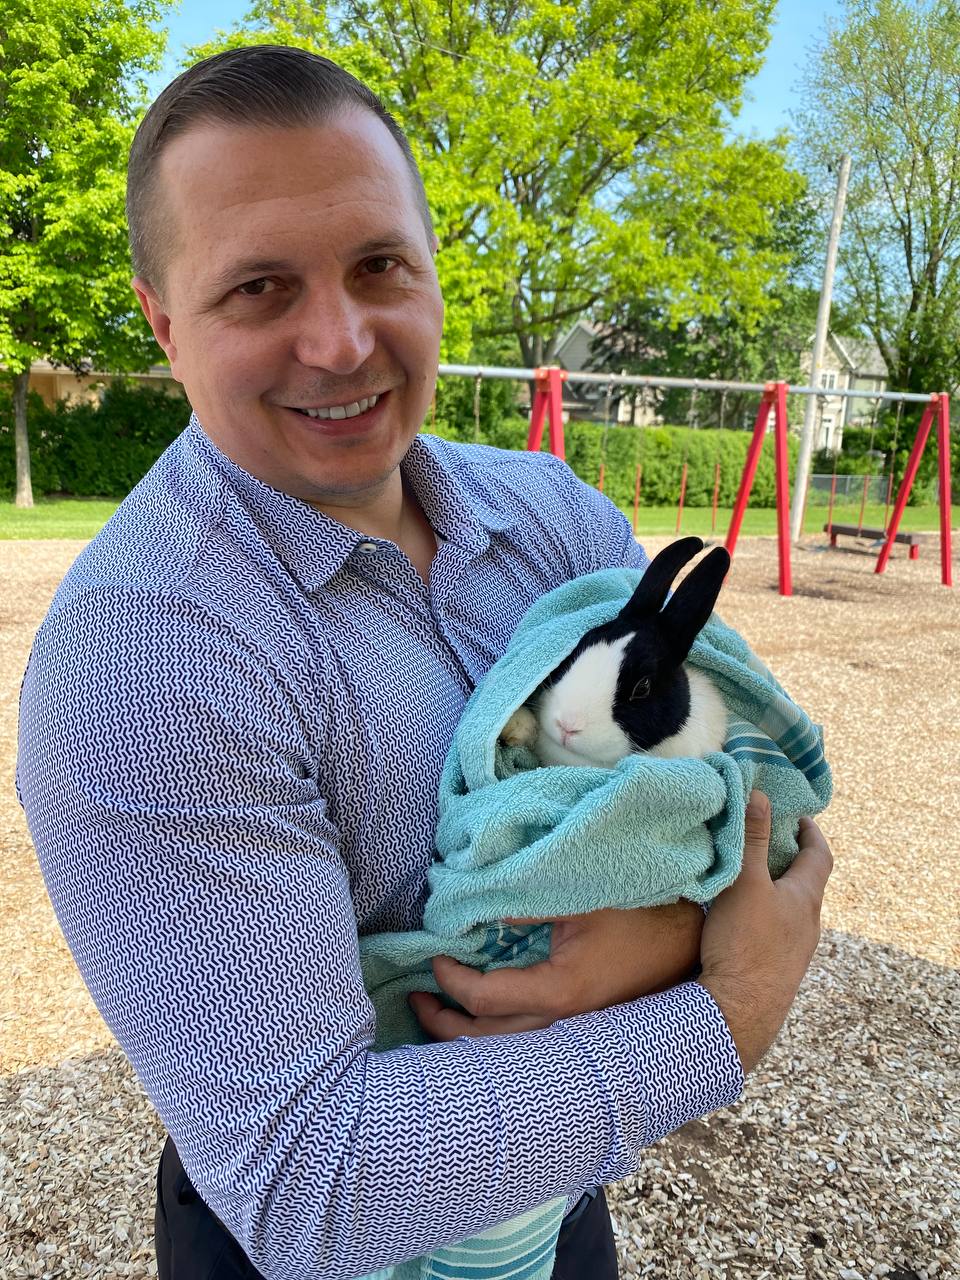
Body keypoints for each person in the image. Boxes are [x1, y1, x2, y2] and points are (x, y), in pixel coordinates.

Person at [16, 44, 833, 1280]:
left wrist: (657, 944)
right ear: (164, 321)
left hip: (554, 1210)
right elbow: (310, 1182)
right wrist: (719, 1012)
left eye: (377, 265)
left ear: (431, 266)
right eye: (259, 289)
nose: (341, 342)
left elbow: (759, 784)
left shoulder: (554, 521)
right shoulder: (143, 663)